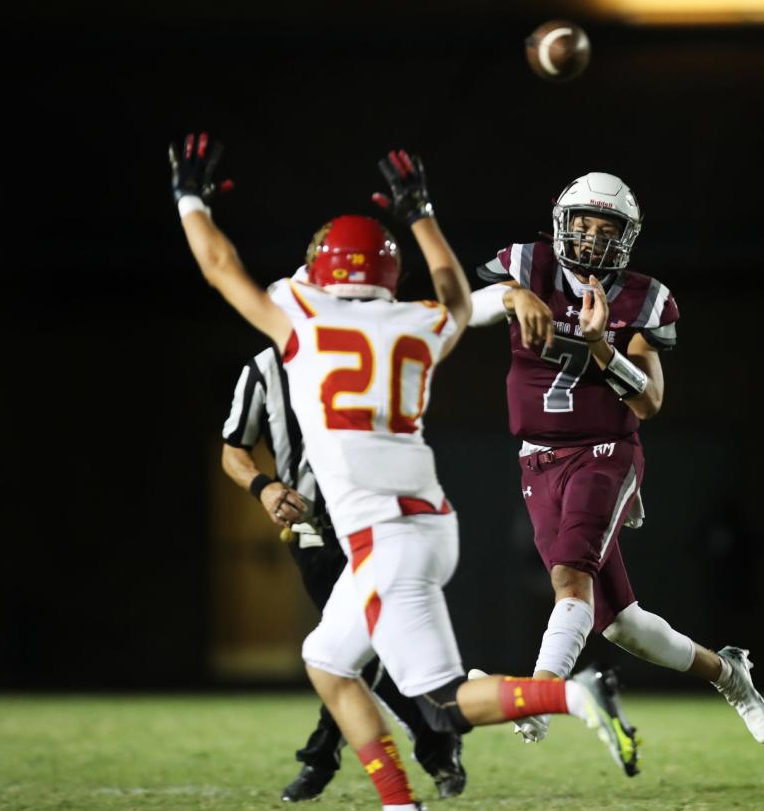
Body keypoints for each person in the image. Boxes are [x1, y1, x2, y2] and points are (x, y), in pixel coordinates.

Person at [170, 134, 643, 809]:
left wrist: (190, 197)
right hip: (421, 523)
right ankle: (399, 803)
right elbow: (455, 295)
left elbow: (218, 265)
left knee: (444, 704)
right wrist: (420, 212)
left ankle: (573, 691)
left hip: (383, 539)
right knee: (328, 663)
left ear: (318, 275)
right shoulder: (418, 324)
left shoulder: (301, 324)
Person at [468, 171, 764, 746]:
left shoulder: (643, 297)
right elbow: (459, 308)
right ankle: (728, 671)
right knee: (622, 626)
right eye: (581, 225)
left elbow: (650, 400)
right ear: (562, 224)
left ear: (625, 237)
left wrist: (601, 347)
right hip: (537, 459)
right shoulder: (526, 266)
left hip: (605, 452)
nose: (589, 239)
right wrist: (511, 296)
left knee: (569, 578)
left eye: (604, 229)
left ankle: (537, 698)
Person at [221, 337, 466, 801]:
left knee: (348, 654)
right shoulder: (265, 368)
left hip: (380, 522)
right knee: (356, 653)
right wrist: (266, 488)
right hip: (316, 532)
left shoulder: (372, 348)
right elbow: (233, 450)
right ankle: (435, 734)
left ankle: (323, 755)